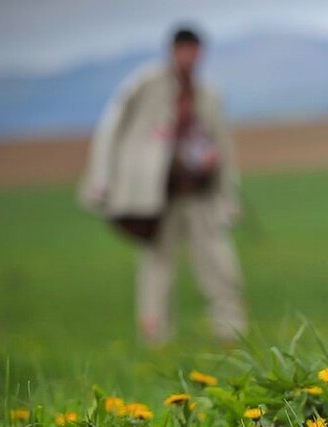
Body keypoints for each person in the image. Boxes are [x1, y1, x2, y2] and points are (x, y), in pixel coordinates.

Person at [80, 26, 247, 344]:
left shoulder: (208, 93)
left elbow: (223, 145)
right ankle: (155, 334)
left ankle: (229, 329)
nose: (190, 56)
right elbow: (111, 128)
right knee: (157, 266)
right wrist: (102, 178)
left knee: (218, 262)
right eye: (184, 49)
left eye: (195, 50)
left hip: (199, 193)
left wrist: (228, 195)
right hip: (157, 195)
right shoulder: (146, 84)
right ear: (172, 50)